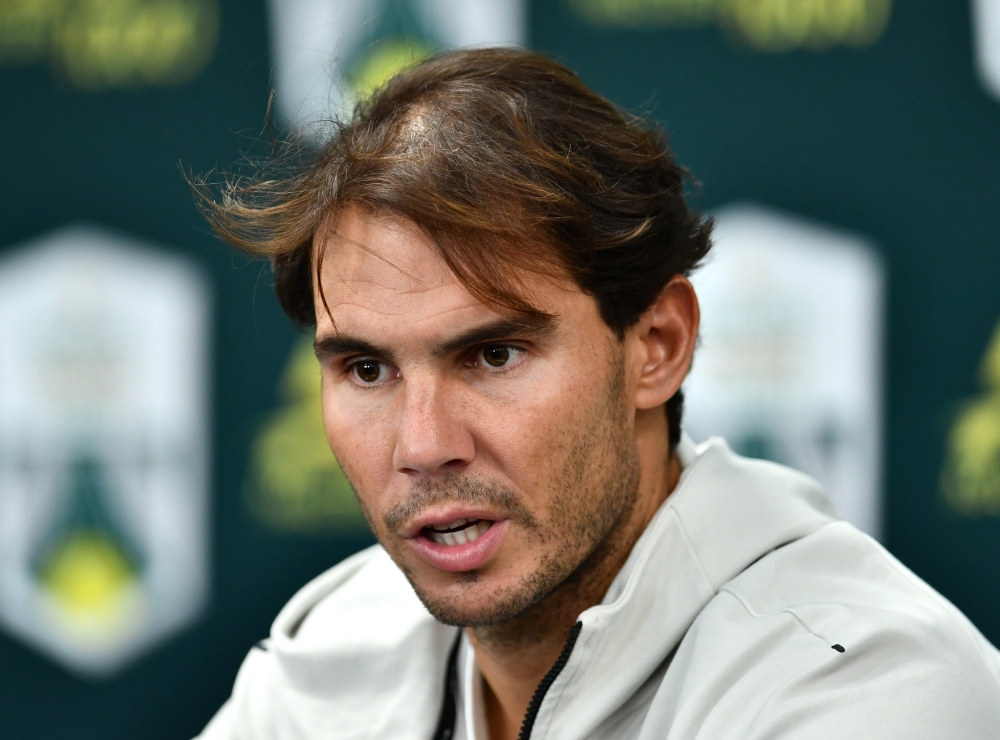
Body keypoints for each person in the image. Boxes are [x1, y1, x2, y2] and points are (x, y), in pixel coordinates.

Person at [193, 48, 1000, 740]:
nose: (422, 444)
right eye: (367, 370)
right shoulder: (332, 657)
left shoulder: (863, 688)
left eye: (494, 354)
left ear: (657, 346)